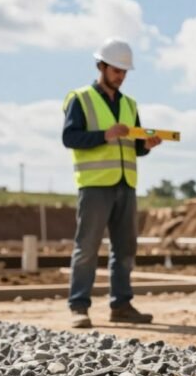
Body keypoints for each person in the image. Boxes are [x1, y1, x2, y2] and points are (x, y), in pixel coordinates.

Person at [62, 38, 162, 328]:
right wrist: (105, 135)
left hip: (126, 184)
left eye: (124, 72)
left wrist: (147, 145)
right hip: (94, 185)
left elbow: (134, 148)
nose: (121, 76)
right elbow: (70, 138)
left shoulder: (130, 105)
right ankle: (78, 306)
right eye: (116, 70)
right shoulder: (80, 99)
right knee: (87, 247)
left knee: (126, 248)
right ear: (101, 66)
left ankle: (121, 305)